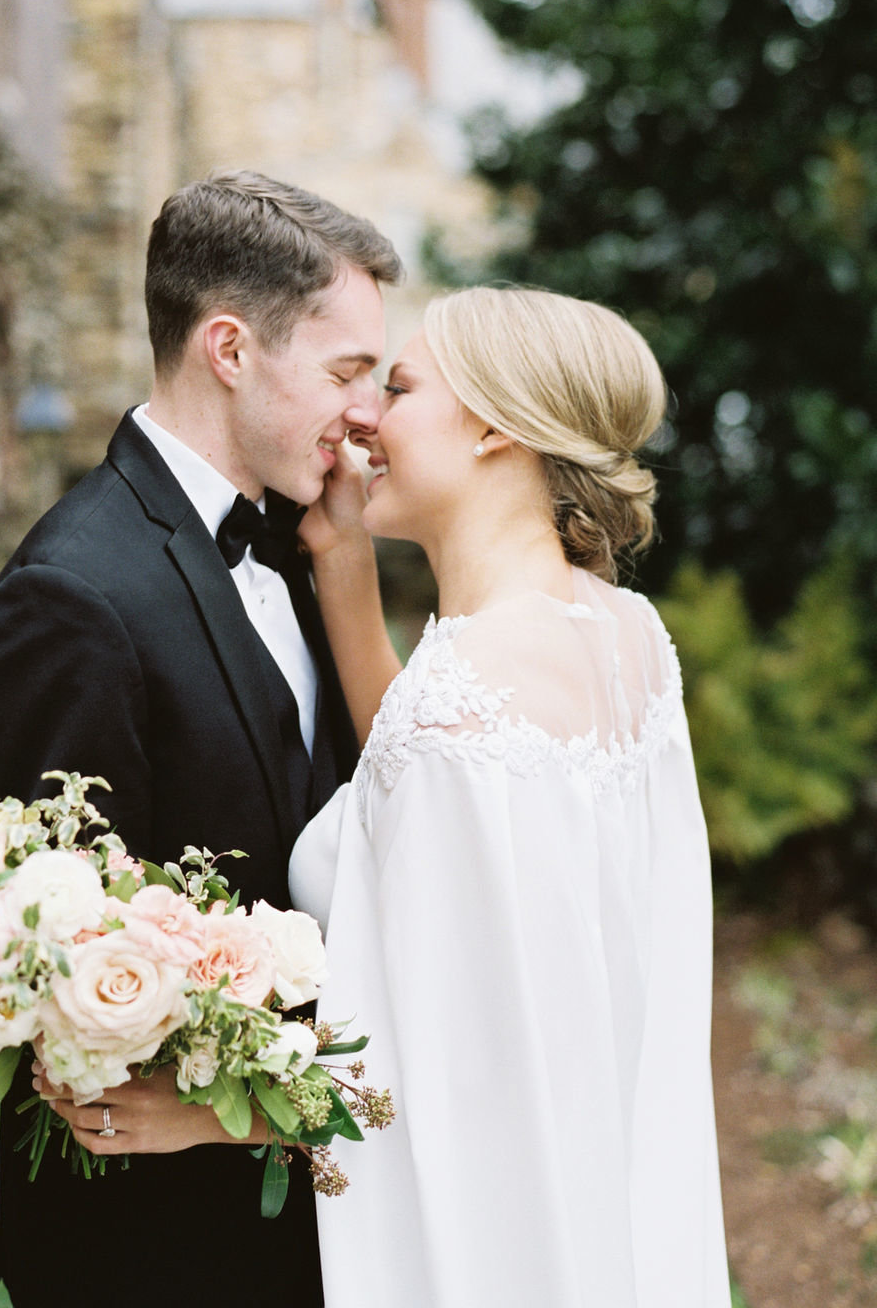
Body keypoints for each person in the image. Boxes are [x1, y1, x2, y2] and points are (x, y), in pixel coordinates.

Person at [0, 170, 402, 1308]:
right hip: (150, 1249)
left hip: (320, 1222)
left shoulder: (306, 544)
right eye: (346, 372)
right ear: (230, 349)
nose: (369, 414)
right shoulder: (70, 596)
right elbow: (43, 973)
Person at [289, 286, 731, 1307]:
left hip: (479, 1250)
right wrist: (345, 570)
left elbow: (440, 1068)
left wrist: (208, 1108)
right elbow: (434, 759)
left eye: (396, 388)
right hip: (608, 1213)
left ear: (493, 425)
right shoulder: (623, 637)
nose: (361, 415)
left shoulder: (461, 704)